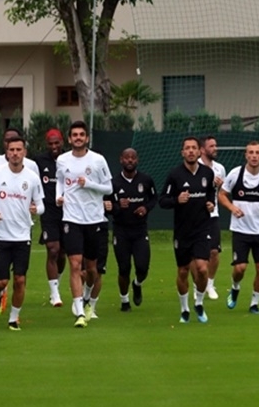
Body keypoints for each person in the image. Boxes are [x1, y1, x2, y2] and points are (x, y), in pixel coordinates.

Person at [0, 136, 44, 330]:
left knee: (20, 279)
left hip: (22, 236)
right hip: (0, 235)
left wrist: (36, 210)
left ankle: (13, 318)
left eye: (19, 150)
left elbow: (41, 205)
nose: (15, 153)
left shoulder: (32, 177)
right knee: (1, 282)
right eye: (12, 150)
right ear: (6, 153)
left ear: (24, 152)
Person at [56, 121, 113, 328]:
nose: (78, 138)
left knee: (92, 269)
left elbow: (108, 188)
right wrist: (58, 196)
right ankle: (79, 310)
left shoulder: (98, 160)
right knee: (74, 263)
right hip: (71, 218)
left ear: (86, 138)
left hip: (94, 219)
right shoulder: (62, 160)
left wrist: (88, 184)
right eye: (74, 135)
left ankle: (87, 296)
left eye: (81, 134)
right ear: (69, 139)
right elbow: (60, 181)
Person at [218, 140, 259, 315]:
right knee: (240, 268)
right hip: (240, 230)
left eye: (257, 153)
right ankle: (235, 287)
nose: (254, 156)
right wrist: (232, 208)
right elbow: (222, 195)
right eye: (251, 153)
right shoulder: (235, 174)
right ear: (246, 155)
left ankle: (254, 304)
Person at [159, 137, 216, 323]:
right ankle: (184, 309)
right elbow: (163, 201)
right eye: (187, 148)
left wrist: (210, 204)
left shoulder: (207, 173)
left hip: (202, 229)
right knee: (183, 271)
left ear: (200, 152)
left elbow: (210, 195)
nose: (191, 151)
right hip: (183, 231)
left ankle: (199, 303)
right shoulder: (175, 175)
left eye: (194, 148)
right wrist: (177, 200)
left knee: (202, 269)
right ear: (182, 152)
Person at [104, 148, 157, 312]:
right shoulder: (113, 183)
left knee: (142, 267)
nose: (130, 160)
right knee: (124, 268)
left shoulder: (146, 180)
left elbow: (154, 198)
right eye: (126, 157)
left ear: (137, 160)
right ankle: (124, 300)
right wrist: (119, 206)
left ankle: (137, 284)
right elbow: (107, 207)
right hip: (121, 231)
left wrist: (146, 208)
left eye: (133, 158)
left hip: (140, 231)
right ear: (121, 160)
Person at [33, 128, 66, 307]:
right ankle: (54, 294)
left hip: (69, 211)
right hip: (48, 212)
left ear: (62, 142)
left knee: (62, 254)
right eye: (51, 143)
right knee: (53, 249)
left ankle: (57, 282)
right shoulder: (39, 162)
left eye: (57, 143)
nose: (54, 146)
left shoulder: (69, 160)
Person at [198, 135, 227, 300]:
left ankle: (209, 284)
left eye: (215, 145)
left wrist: (219, 185)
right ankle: (197, 286)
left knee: (214, 252)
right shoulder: (196, 167)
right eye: (211, 146)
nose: (215, 148)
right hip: (196, 216)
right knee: (197, 255)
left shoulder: (220, 168)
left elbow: (222, 191)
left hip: (213, 215)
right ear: (202, 149)